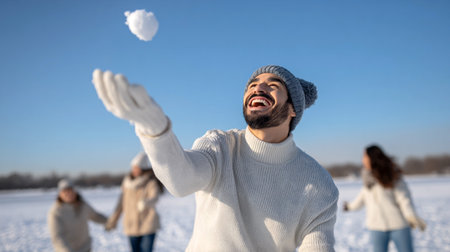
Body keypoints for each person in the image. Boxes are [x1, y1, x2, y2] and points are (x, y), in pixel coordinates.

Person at [92, 65, 339, 251]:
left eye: (272, 84)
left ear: (294, 107)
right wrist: (156, 131)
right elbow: (181, 180)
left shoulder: (317, 183)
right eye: (252, 84)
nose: (257, 87)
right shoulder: (220, 146)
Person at [343, 145, 426, 252]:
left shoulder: (393, 176)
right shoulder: (367, 181)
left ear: (372, 158)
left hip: (399, 225)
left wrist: (411, 216)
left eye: (364, 156)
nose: (362, 159)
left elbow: (404, 200)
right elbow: (361, 199)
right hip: (376, 227)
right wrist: (349, 206)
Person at [105, 152, 163, 252]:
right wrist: (113, 220)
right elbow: (120, 204)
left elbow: (155, 198)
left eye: (137, 167)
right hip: (131, 225)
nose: (134, 170)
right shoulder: (127, 184)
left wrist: (146, 203)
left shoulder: (150, 182)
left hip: (147, 224)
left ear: (143, 168)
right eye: (133, 167)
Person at [48, 179, 108, 252]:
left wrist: (110, 221)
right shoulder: (56, 212)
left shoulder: (83, 205)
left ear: (75, 191)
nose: (69, 194)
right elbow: (57, 237)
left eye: (71, 190)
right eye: (65, 191)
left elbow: (95, 216)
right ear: (60, 194)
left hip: (85, 248)